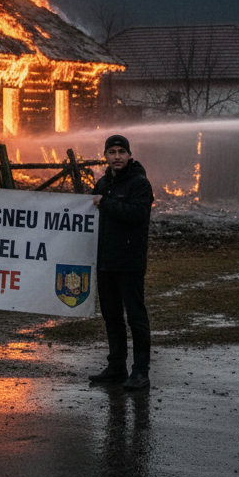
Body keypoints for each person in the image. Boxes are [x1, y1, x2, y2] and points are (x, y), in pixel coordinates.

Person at [89, 134, 154, 391]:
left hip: (129, 261)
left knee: (136, 317)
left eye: (121, 152)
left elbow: (137, 214)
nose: (116, 156)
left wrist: (106, 203)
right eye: (111, 152)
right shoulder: (103, 183)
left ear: (129, 155)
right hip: (105, 261)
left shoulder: (140, 184)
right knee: (111, 316)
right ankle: (117, 366)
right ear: (105, 155)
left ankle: (140, 371)